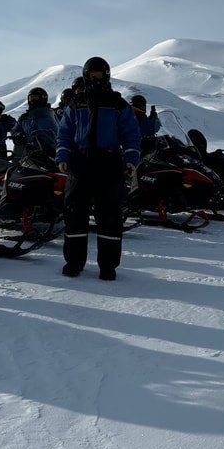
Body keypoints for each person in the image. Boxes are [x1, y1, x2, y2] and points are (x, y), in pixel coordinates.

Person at [56, 57, 141, 281]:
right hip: (79, 163)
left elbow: (131, 135)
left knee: (110, 216)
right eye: (92, 76)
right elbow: (64, 132)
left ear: (107, 76)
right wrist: (63, 155)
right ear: (85, 76)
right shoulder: (76, 103)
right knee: (75, 214)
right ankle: (74, 262)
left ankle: (108, 265)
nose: (96, 80)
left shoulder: (118, 104)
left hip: (109, 164)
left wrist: (131, 159)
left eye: (99, 76)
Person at [11, 87, 59, 159]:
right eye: (31, 98)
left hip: (49, 149)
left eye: (35, 98)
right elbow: (15, 130)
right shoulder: (24, 118)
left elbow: (59, 128)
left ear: (43, 99)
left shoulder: (49, 114)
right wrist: (18, 135)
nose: (32, 101)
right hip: (29, 152)